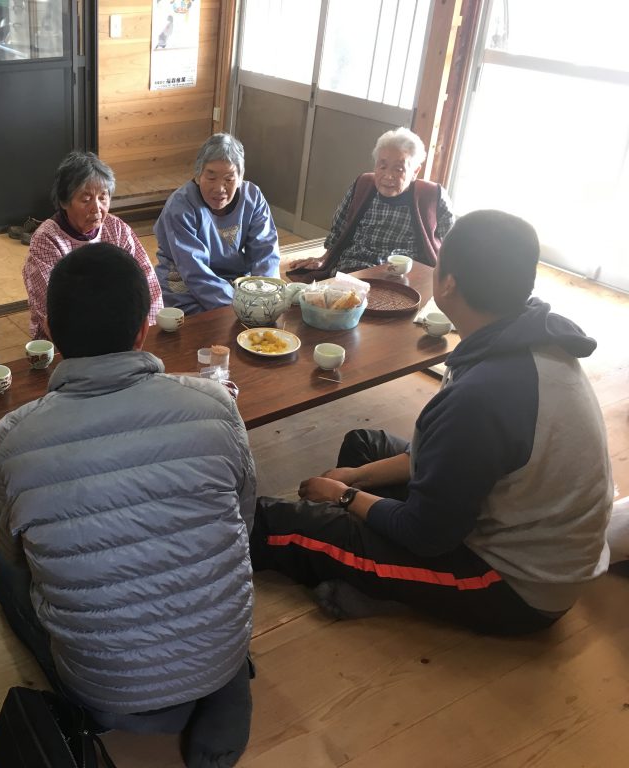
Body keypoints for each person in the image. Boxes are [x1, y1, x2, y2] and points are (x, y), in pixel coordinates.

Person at [252, 210, 612, 635]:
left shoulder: (484, 397)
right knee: (363, 446)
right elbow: (445, 457)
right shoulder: (523, 334)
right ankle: (379, 577)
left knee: (278, 523)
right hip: (497, 521)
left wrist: (345, 494)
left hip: (515, 584)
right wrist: (358, 475)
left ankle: (382, 585)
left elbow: (424, 534)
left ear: (448, 283)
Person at [0, 243, 257, 766]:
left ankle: (119, 700)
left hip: (105, 692)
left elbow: (18, 555)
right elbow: (242, 524)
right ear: (141, 330)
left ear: (53, 337)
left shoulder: (11, 439)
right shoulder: (218, 407)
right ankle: (225, 684)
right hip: (220, 650)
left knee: (3, 572)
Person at [22, 150, 162, 340]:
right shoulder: (47, 240)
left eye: (103, 197)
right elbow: (52, 308)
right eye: (86, 199)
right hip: (69, 338)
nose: (97, 208)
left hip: (120, 329)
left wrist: (147, 330)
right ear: (64, 201)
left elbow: (147, 281)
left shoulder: (117, 229)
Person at [287, 127, 455, 278]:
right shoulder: (363, 185)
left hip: (401, 277)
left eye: (399, 169)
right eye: (382, 166)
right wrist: (325, 259)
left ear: (415, 171)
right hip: (352, 269)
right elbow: (339, 228)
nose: (388, 176)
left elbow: (451, 246)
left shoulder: (432, 196)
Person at [154, 133, 279, 315]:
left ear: (240, 178)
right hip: (183, 283)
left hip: (235, 281)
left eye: (229, 179)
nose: (220, 188)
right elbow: (194, 271)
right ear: (197, 176)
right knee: (205, 326)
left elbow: (266, 253)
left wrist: (265, 296)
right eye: (211, 178)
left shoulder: (253, 197)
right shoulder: (180, 205)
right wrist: (238, 306)